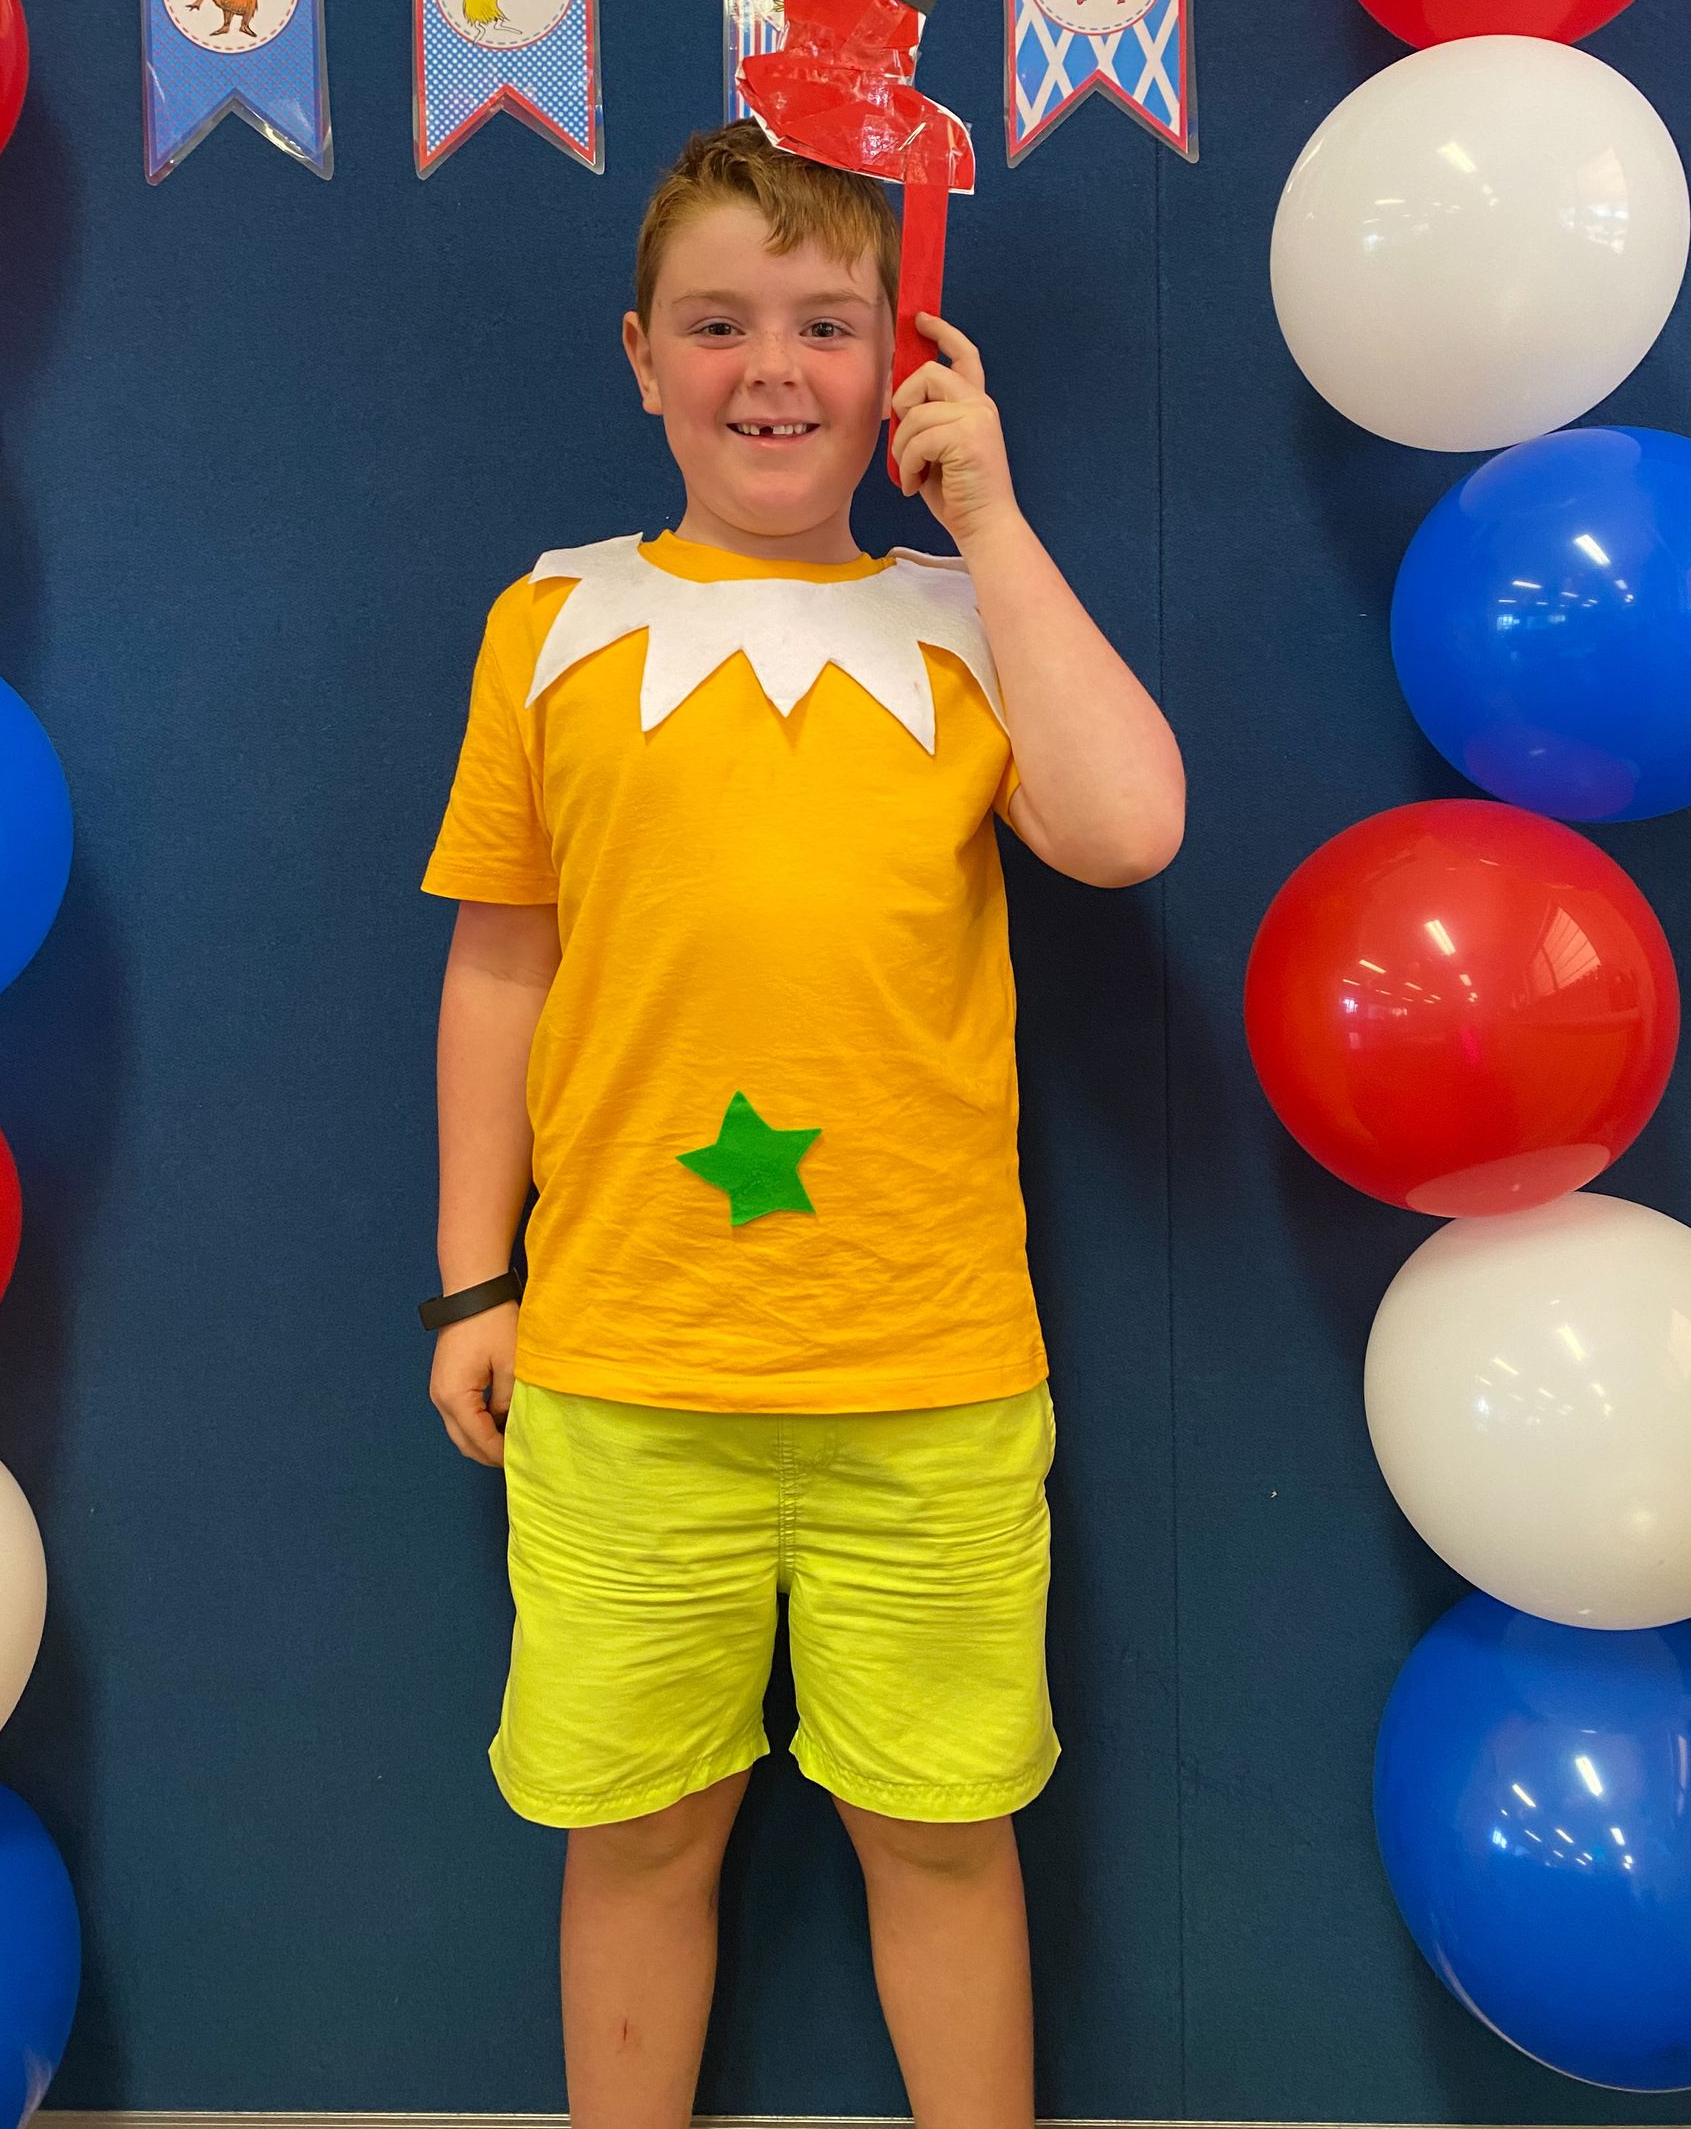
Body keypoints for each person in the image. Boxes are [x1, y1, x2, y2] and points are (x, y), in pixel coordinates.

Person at [421, 118, 1185, 2129]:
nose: (771, 367)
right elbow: (499, 969)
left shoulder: (964, 621)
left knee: (939, 1829)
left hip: (925, 1368)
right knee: (637, 1829)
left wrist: (989, 515)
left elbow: (1125, 828)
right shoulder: (551, 625)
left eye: (828, 324)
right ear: (639, 357)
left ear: (900, 359)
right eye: (716, 322)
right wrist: (472, 1280)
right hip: (626, 1364)